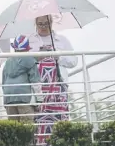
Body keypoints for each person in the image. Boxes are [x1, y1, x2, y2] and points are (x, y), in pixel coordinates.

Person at [29, 14, 78, 145]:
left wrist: (58, 57)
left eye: (46, 23)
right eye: (40, 24)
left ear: (51, 22)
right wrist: (37, 58)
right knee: (38, 121)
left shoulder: (61, 40)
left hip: (58, 88)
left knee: (60, 121)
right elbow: (23, 61)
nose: (43, 27)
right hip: (38, 89)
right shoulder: (30, 41)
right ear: (35, 24)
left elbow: (74, 61)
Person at [2, 35, 43, 122]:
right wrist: (39, 100)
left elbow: (3, 82)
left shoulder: (8, 61)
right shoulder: (30, 60)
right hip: (24, 98)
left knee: (13, 128)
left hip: (9, 97)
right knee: (27, 126)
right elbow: (35, 82)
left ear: (14, 49)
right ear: (28, 49)